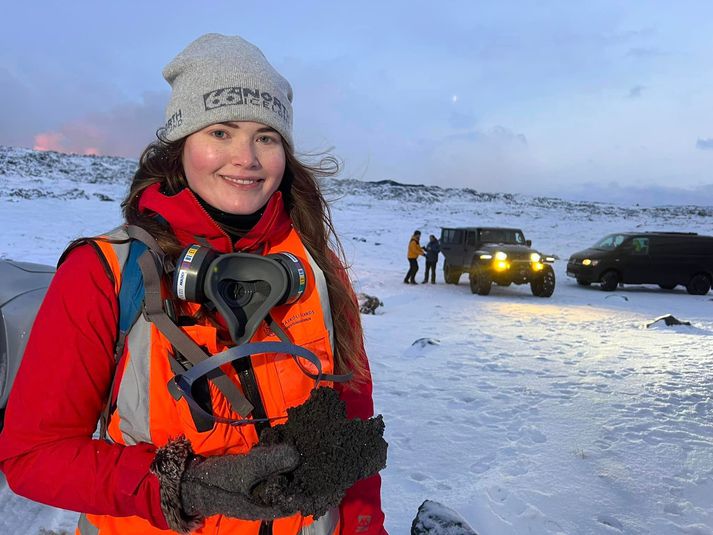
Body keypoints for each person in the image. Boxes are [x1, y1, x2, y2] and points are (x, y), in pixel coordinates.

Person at [0, 34, 386, 535]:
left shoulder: (317, 267)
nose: (245, 157)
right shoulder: (104, 273)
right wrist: (179, 488)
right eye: (220, 132)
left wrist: (362, 525)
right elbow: (33, 455)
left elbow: (349, 424)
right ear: (181, 145)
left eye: (265, 137)